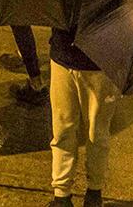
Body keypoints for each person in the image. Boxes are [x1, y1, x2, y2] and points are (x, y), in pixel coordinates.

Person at [48, 24, 121, 207]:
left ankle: (94, 192)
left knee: (97, 132)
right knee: (62, 130)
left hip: (100, 63)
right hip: (62, 56)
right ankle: (61, 196)